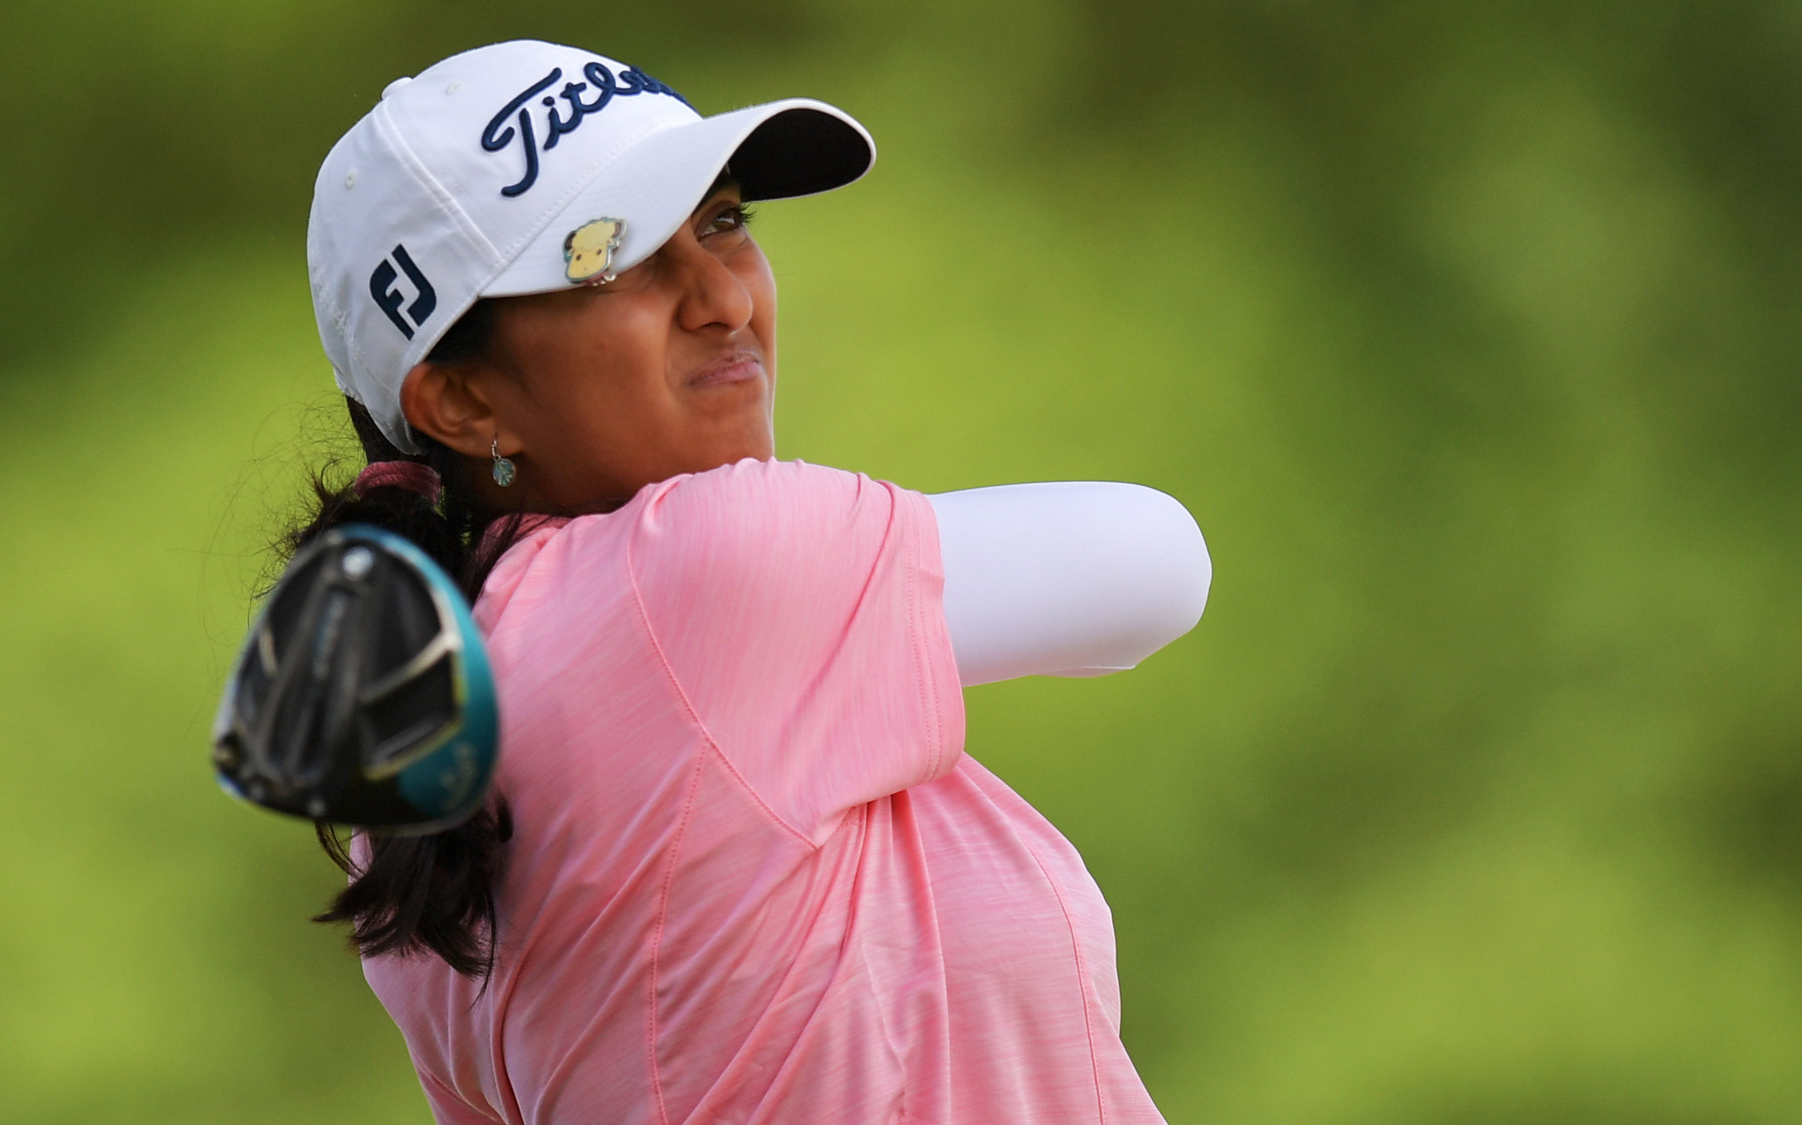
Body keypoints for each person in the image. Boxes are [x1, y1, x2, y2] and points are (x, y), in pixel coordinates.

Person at [289, 38, 1210, 1124]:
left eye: (721, 220)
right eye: (611, 259)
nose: (721, 295)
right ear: (463, 402)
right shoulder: (695, 571)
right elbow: (1155, 561)